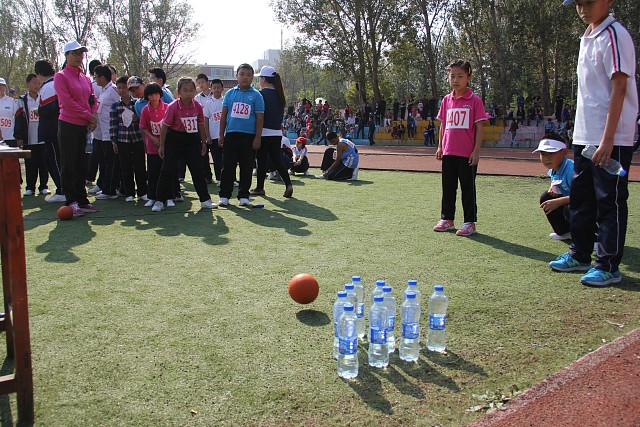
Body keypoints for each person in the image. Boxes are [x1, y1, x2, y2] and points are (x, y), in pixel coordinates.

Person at [549, 0, 637, 287]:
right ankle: (580, 254)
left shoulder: (614, 34)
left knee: (609, 200)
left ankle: (608, 265)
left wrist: (608, 139)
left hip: (611, 137)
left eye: (589, 2)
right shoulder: (588, 37)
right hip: (585, 135)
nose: (583, 8)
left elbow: (620, 86)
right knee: (582, 198)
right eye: (578, 3)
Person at [433, 59, 487, 236]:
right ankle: (447, 219)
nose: (455, 80)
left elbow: (479, 127)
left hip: (467, 154)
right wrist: (440, 146)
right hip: (448, 152)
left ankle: (469, 222)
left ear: (468, 78)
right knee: (448, 187)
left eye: (460, 76)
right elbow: (443, 125)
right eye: (452, 76)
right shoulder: (446, 100)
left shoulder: (475, 100)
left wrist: (476, 151)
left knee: (467, 189)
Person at [152, 77, 216, 212]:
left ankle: (205, 200)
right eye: (185, 90)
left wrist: (203, 142)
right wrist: (162, 146)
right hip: (174, 139)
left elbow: (201, 125)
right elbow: (165, 127)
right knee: (167, 169)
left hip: (192, 140)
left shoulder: (197, 106)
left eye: (191, 90)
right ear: (178, 92)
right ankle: (159, 201)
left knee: (197, 170)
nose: (188, 93)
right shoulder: (173, 107)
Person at [54, 41, 99, 217]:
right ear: (66, 55)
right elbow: (67, 102)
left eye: (80, 54)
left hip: (84, 126)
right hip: (68, 124)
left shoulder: (85, 78)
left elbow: (93, 99)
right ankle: (71, 200)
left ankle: (82, 200)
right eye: (74, 53)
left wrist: (92, 115)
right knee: (69, 164)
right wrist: (89, 116)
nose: (78, 57)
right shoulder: (61, 76)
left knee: (82, 164)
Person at [217, 64, 264, 207]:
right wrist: (221, 135)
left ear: (252, 77)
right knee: (228, 166)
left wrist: (257, 137)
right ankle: (224, 195)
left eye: (249, 75)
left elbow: (260, 118)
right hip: (231, 135)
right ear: (236, 75)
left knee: (247, 167)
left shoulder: (257, 95)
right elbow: (224, 116)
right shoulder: (230, 94)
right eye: (242, 74)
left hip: (249, 137)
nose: (245, 77)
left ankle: (244, 195)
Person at [251, 66, 293, 198]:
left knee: (261, 161)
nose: (259, 81)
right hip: (277, 133)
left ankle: (260, 188)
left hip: (263, 132)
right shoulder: (280, 95)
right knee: (277, 160)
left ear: (264, 79)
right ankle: (288, 184)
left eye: (260, 78)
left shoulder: (260, 94)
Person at [109, 76, 148, 202]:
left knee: (140, 166)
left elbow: (144, 120)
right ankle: (129, 192)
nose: (121, 90)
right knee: (125, 167)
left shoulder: (136, 103)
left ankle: (142, 191)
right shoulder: (115, 106)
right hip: (122, 140)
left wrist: (137, 119)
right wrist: (114, 141)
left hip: (137, 138)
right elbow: (113, 125)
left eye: (124, 87)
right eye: (119, 88)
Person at [34, 59, 65, 203]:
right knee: (57, 159)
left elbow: (48, 109)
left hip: (52, 130)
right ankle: (64, 189)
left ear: (38, 73)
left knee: (55, 160)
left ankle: (62, 190)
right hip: (58, 129)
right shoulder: (57, 83)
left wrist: (39, 110)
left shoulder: (48, 87)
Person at [139, 83, 172, 208]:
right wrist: (152, 138)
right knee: (153, 172)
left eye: (156, 94)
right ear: (147, 96)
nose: (154, 97)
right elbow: (143, 127)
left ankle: (170, 197)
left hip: (167, 145)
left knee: (168, 171)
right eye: (151, 95)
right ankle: (152, 197)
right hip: (152, 146)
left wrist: (164, 140)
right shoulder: (145, 110)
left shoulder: (167, 108)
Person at [15, 74, 49, 196]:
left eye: (38, 83)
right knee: (30, 164)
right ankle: (30, 187)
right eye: (34, 83)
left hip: (43, 137)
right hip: (29, 138)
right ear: (28, 84)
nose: (37, 85)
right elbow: (18, 119)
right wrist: (19, 136)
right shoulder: (21, 100)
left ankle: (43, 186)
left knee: (44, 163)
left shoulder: (44, 97)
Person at [535, 134, 574, 241]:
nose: (546, 158)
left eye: (551, 153)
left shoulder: (572, 170)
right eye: (543, 154)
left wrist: (559, 201)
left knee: (572, 208)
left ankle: (594, 237)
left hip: (593, 206)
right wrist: (554, 188)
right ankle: (566, 232)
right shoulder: (554, 169)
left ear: (564, 152)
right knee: (546, 197)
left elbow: (585, 197)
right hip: (573, 200)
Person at [92, 65, 121, 200]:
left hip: (111, 133)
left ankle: (110, 190)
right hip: (103, 133)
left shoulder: (113, 90)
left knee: (111, 163)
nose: (95, 79)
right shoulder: (103, 91)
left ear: (102, 77)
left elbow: (120, 107)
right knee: (106, 162)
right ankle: (107, 187)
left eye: (96, 77)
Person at [203, 79, 225, 184]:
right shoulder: (208, 103)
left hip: (225, 135)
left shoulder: (225, 101)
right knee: (216, 159)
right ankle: (219, 178)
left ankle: (230, 178)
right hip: (213, 136)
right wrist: (207, 136)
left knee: (227, 158)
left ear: (222, 89)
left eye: (218, 87)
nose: (216, 90)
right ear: (211, 89)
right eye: (214, 87)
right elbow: (206, 120)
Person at [196, 73, 214, 183]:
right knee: (203, 154)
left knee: (218, 154)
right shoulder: (197, 98)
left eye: (202, 82)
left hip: (215, 128)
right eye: (199, 83)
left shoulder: (215, 95)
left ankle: (221, 176)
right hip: (202, 129)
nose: (201, 84)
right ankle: (207, 176)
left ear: (207, 82)